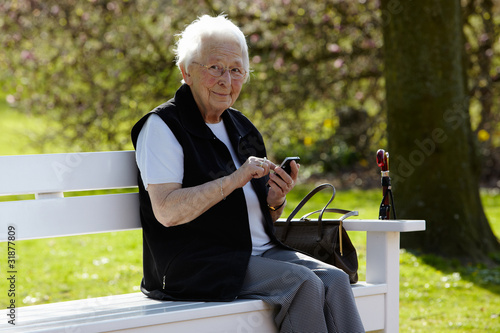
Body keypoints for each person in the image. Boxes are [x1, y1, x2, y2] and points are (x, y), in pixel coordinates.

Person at [131, 14, 365, 333]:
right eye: (215, 67)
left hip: (259, 254)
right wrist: (234, 180)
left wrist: (273, 199)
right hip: (198, 264)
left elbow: (262, 218)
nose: (227, 80)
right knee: (304, 285)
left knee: (336, 280)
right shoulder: (162, 127)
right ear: (186, 71)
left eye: (237, 70)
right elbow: (167, 211)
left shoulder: (242, 127)